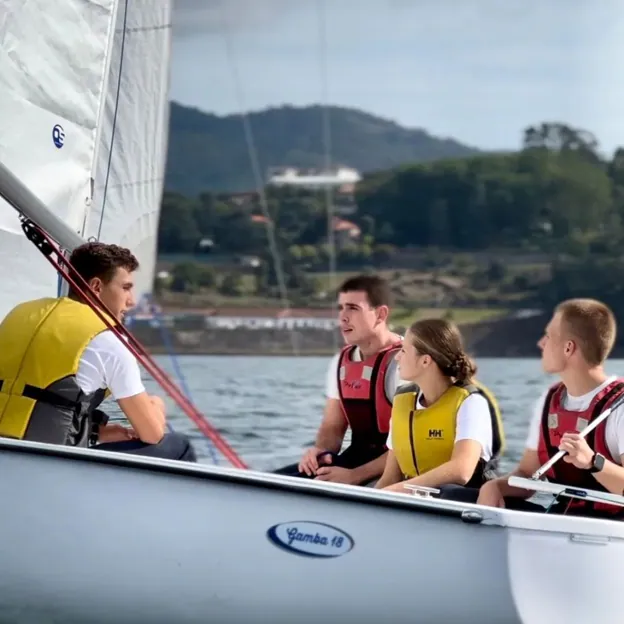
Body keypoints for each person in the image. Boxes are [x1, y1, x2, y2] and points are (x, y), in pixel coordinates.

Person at [0, 241, 196, 462]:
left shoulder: (19, 314)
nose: (131, 301)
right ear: (95, 286)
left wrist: (95, 432)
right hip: (49, 464)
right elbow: (151, 434)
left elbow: (30, 401)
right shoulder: (108, 341)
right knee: (180, 446)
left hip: (7, 454)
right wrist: (157, 405)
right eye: (125, 288)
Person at [477, 298, 624, 519]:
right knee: (456, 496)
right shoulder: (549, 399)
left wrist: (593, 462)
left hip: (610, 530)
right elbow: (528, 475)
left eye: (548, 336)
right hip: (563, 521)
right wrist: (495, 487)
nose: (541, 343)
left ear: (568, 348)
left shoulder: (619, 405)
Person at [274, 274, 405, 485]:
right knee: (276, 482)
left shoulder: (406, 362)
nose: (342, 317)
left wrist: (355, 477)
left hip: (397, 469)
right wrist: (319, 452)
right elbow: (332, 427)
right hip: (355, 460)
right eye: (341, 308)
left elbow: (413, 444)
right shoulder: (340, 361)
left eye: (353, 308)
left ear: (380, 314)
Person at [375, 318, 505, 497]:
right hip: (415, 503)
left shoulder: (471, 403)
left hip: (463, 506)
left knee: (447, 491)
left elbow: (461, 471)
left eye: (404, 350)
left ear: (425, 361)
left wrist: (400, 489)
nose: (397, 357)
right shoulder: (402, 401)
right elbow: (389, 479)